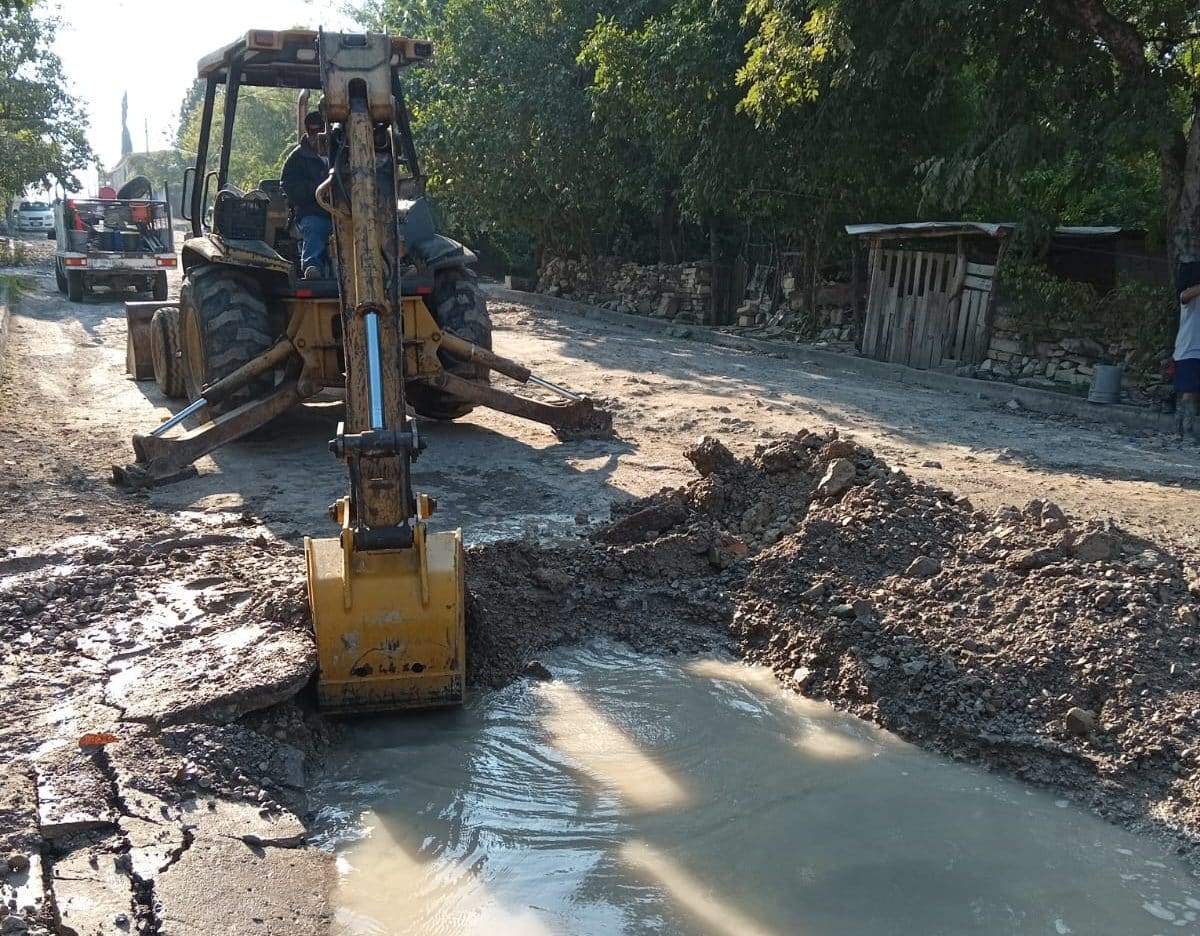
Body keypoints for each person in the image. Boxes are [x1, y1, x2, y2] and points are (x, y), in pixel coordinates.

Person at [281, 110, 332, 280]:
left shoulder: (344, 152)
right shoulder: (297, 158)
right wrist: (317, 189)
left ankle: (392, 264)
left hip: (345, 210)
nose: (316, 136)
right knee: (315, 226)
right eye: (312, 131)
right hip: (313, 210)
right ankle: (312, 265)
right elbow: (289, 186)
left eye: (320, 131)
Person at [1174, 260, 1200, 441]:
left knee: (1192, 391)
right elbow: (1184, 295)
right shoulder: (1188, 296)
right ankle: (1185, 431)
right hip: (1189, 349)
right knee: (1189, 391)